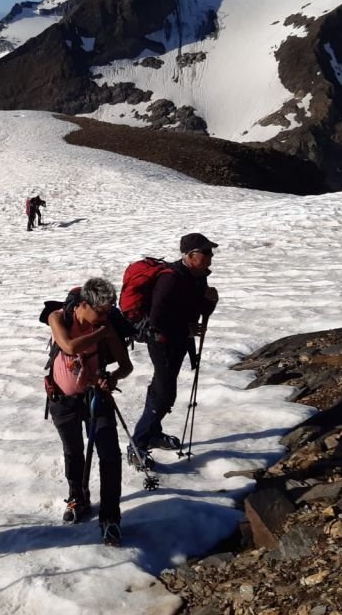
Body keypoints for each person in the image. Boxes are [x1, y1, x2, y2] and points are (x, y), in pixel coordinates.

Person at [46, 277, 133, 545]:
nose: (105, 317)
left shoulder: (104, 325)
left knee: (110, 455)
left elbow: (126, 365)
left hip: (96, 396)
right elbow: (69, 346)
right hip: (62, 399)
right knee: (73, 450)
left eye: (108, 312)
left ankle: (110, 517)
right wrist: (101, 333)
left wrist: (113, 378)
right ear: (84, 304)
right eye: (101, 311)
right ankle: (78, 497)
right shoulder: (58, 317)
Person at [130, 233, 218, 466]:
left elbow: (197, 309)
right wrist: (186, 329)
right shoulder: (170, 278)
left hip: (178, 341)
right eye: (206, 252)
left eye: (210, 252)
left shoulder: (197, 277)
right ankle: (137, 444)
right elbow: (157, 318)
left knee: (161, 388)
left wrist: (210, 302)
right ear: (190, 255)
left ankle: (153, 434)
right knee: (165, 394)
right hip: (162, 342)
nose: (210, 256)